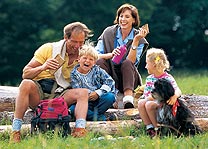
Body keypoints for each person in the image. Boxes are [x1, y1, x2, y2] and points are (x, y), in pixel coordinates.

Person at [10, 22, 93, 143]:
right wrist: (43, 67)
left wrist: (83, 67)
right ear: (66, 38)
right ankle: (15, 131)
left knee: (83, 93)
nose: (78, 46)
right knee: (25, 84)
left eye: (81, 42)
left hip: (61, 94)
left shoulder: (84, 55)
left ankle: (79, 130)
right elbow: (25, 73)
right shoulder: (49, 48)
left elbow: (93, 74)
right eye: (74, 42)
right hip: (39, 93)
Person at [95, 3, 149, 109]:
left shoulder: (139, 38)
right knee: (100, 62)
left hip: (128, 78)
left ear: (134, 20)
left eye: (127, 17)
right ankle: (108, 94)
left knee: (127, 63)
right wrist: (110, 55)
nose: (123, 19)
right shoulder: (108, 32)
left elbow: (132, 62)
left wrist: (136, 40)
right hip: (108, 75)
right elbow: (96, 55)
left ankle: (128, 98)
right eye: (121, 16)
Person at [137, 48, 182, 138]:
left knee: (149, 104)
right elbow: (147, 95)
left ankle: (158, 129)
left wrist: (174, 96)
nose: (145, 66)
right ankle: (149, 128)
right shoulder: (149, 78)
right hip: (152, 101)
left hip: (164, 104)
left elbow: (178, 90)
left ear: (154, 64)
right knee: (141, 102)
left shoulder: (167, 78)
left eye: (147, 63)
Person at [69, 41, 117, 121]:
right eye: (84, 58)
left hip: (98, 99)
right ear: (78, 59)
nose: (87, 61)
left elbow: (110, 82)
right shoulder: (74, 74)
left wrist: (98, 93)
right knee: (73, 109)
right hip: (84, 102)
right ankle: (101, 118)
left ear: (94, 62)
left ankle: (92, 115)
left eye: (91, 59)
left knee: (110, 97)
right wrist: (89, 95)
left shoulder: (97, 70)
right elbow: (77, 90)